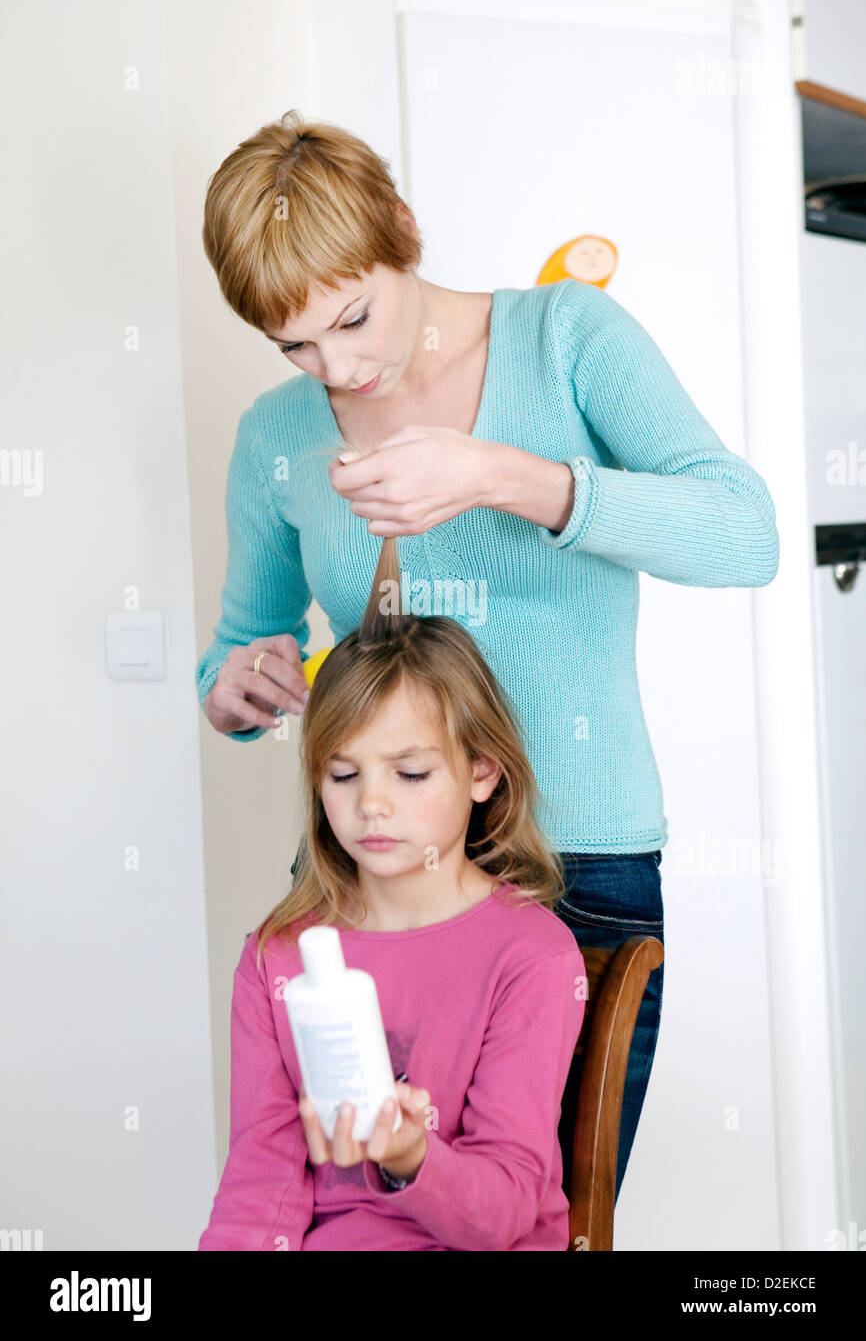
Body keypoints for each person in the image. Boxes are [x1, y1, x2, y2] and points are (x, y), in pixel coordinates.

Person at [195, 108, 780, 1200]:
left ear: (404, 230)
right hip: (359, 881)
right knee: (339, 1213)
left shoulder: (567, 340)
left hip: (572, 868)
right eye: (296, 344)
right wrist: (236, 688)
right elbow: (240, 649)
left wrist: (503, 477)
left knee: (524, 1218)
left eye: (355, 317)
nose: (341, 366)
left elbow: (744, 534)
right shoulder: (277, 435)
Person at [198, 536, 586, 1251]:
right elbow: (261, 1187)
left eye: (409, 774)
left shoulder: (531, 955)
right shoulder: (275, 958)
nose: (371, 805)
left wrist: (412, 1157)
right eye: (343, 776)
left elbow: (503, 1213)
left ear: (482, 774)